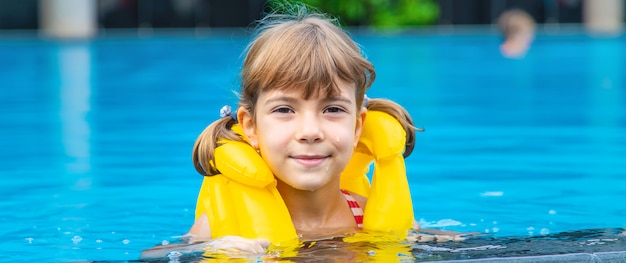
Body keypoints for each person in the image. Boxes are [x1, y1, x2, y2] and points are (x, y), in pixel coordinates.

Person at [142, 4, 465, 260]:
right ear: (251, 126)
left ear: (357, 127)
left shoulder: (369, 216)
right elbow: (153, 256)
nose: (310, 132)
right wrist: (210, 252)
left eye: (332, 109)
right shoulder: (220, 225)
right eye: (285, 110)